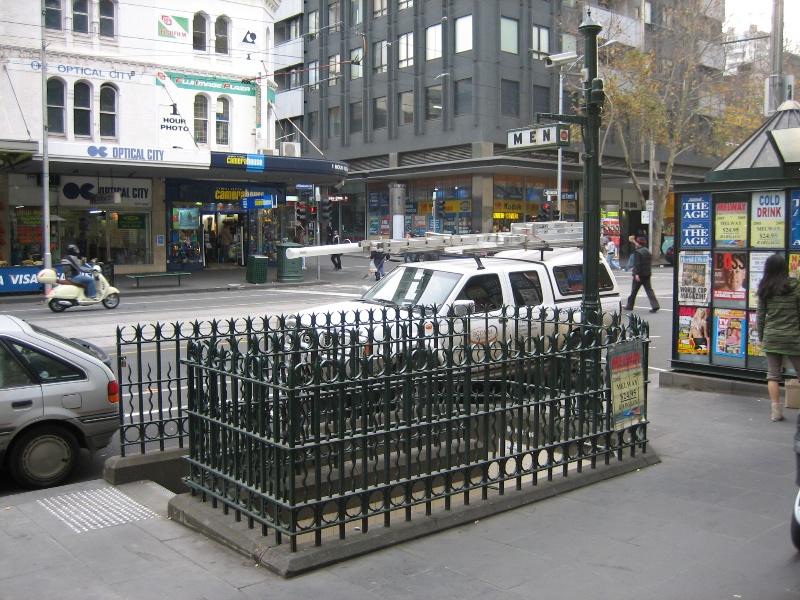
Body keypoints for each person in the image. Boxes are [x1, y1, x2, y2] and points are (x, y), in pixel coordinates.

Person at [756, 253, 800, 422]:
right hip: (793, 336)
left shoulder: (765, 286)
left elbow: (760, 315)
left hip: (772, 336)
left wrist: (761, 337)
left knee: (773, 375)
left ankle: (776, 412)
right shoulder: (795, 285)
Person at [624, 237, 660, 313]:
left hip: (639, 274)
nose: (636, 244)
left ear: (639, 244)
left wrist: (636, 274)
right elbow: (645, 264)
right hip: (647, 273)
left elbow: (638, 264)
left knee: (634, 290)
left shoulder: (638, 252)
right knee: (649, 290)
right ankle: (655, 305)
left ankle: (629, 305)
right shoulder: (647, 251)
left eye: (637, 243)